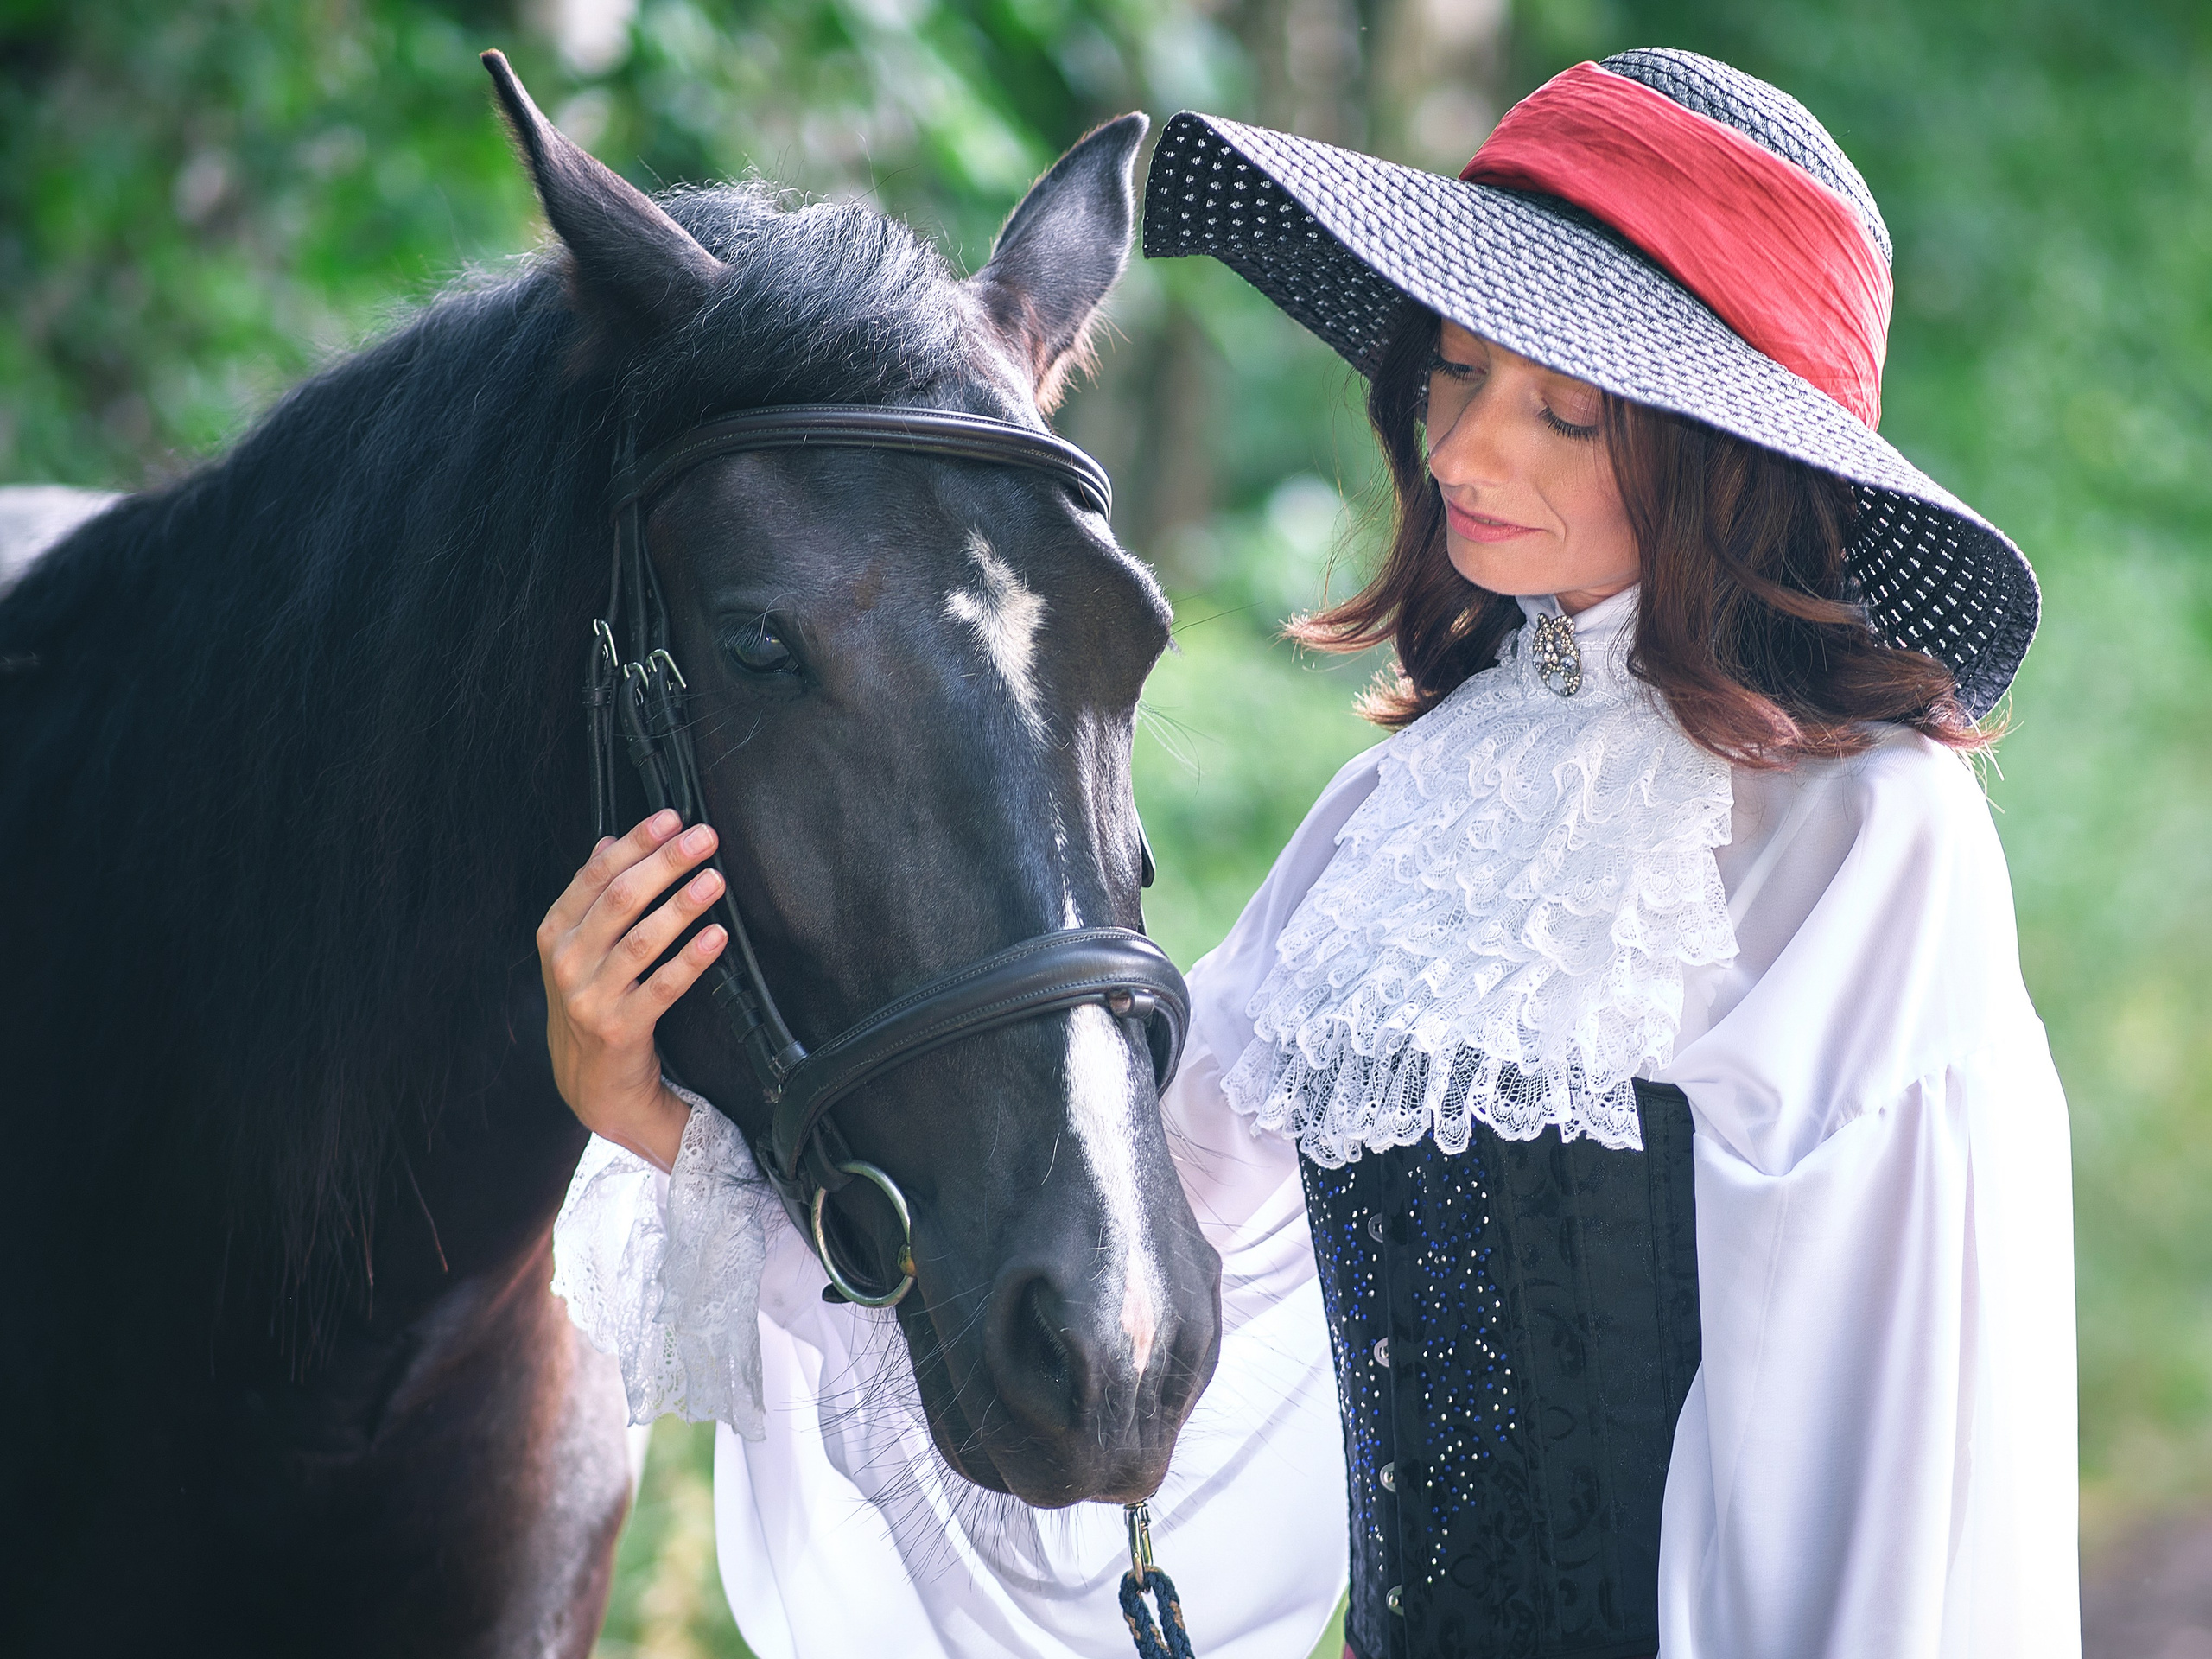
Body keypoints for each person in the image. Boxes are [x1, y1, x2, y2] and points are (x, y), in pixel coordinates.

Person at [540, 47, 2078, 1659]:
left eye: (1560, 409)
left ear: (1726, 454)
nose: (1467, 452)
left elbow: (1887, 1477)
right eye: (1455, 376)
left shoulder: (1866, 833)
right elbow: (1145, 1293)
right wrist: (661, 1124)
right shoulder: (1406, 806)